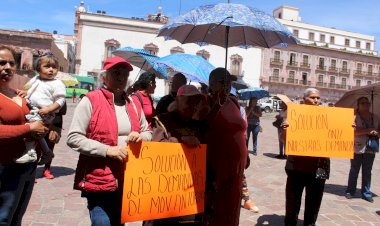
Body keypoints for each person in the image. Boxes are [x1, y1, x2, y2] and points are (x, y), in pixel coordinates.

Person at [66, 56, 152, 226]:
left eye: (125, 74)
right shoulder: (90, 100)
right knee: (102, 222)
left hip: (128, 178)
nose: (121, 77)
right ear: (104, 76)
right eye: (116, 73)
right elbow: (73, 138)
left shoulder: (133, 104)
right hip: (100, 177)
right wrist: (107, 150)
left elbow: (148, 131)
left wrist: (140, 136)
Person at [0, 45, 49, 225]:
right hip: (5, 167)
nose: (8, 67)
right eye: (2, 62)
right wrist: (28, 129)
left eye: (11, 63)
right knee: (4, 217)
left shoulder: (17, 94)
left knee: (16, 216)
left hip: (27, 165)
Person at [147, 85, 207, 225]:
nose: (194, 106)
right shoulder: (163, 120)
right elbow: (156, 147)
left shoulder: (198, 125)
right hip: (165, 194)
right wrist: (181, 142)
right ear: (179, 100)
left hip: (189, 194)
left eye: (196, 102)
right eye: (190, 101)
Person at [203, 68, 247, 226]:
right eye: (223, 82)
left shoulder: (234, 102)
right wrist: (216, 103)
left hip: (237, 167)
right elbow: (204, 125)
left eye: (229, 83)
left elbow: (241, 131)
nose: (228, 86)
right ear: (211, 83)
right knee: (218, 207)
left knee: (233, 205)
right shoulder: (206, 102)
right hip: (218, 166)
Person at [283, 88, 330, 226]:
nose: (316, 100)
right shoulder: (294, 115)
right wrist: (286, 131)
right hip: (296, 166)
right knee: (292, 202)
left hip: (320, 167)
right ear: (304, 99)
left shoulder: (328, 116)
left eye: (318, 98)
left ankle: (310, 223)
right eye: (313, 97)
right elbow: (284, 139)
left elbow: (337, 136)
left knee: (314, 202)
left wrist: (348, 128)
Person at [15, 52, 65, 166]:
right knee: (33, 131)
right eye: (47, 67)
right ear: (38, 69)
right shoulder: (37, 79)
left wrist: (49, 109)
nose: (51, 70)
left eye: (54, 67)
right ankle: (46, 152)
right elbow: (33, 91)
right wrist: (25, 93)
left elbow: (60, 100)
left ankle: (31, 152)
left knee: (31, 129)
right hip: (33, 108)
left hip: (44, 113)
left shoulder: (57, 83)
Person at [345, 96, 379, 203]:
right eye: (363, 103)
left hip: (370, 148)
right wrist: (368, 130)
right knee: (354, 170)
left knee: (367, 171)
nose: (366, 105)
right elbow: (352, 131)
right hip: (356, 146)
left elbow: (379, 132)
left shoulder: (375, 118)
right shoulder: (353, 116)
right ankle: (350, 191)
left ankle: (366, 193)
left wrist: (376, 133)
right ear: (358, 105)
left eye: (367, 103)